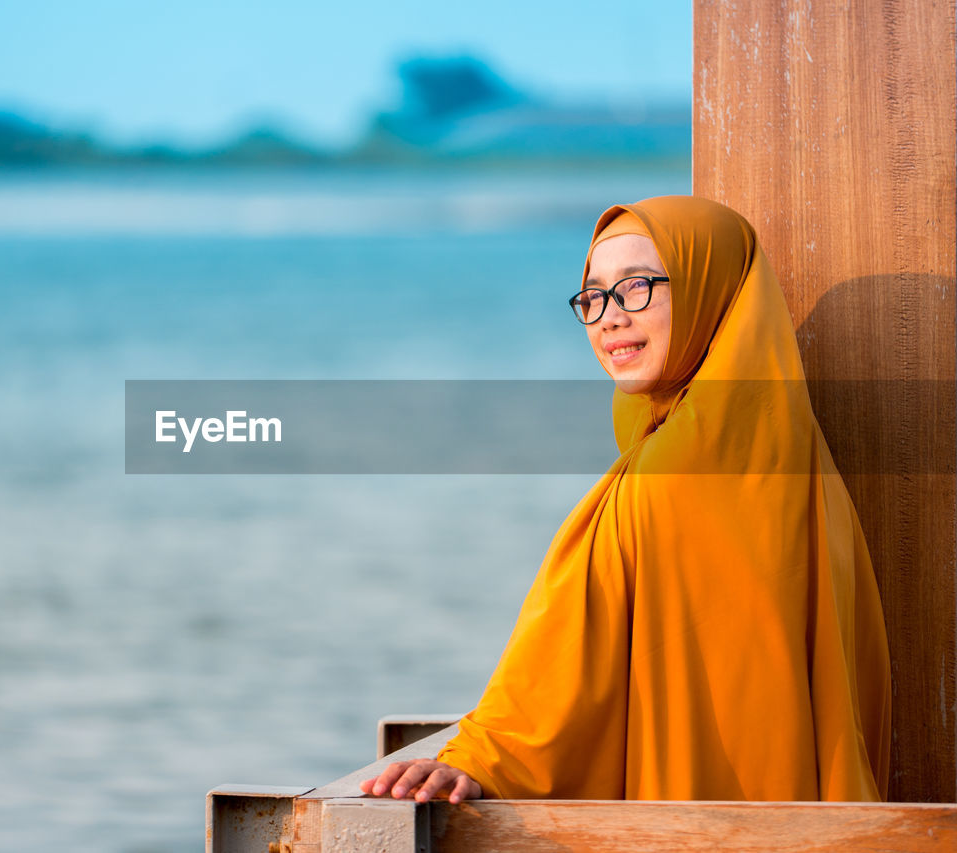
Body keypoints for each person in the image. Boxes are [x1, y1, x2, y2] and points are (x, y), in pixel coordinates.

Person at [360, 195, 891, 804]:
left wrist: (481, 758)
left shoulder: (661, 480)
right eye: (594, 296)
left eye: (637, 287)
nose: (610, 317)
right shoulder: (800, 466)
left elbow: (561, 669)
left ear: (711, 294)